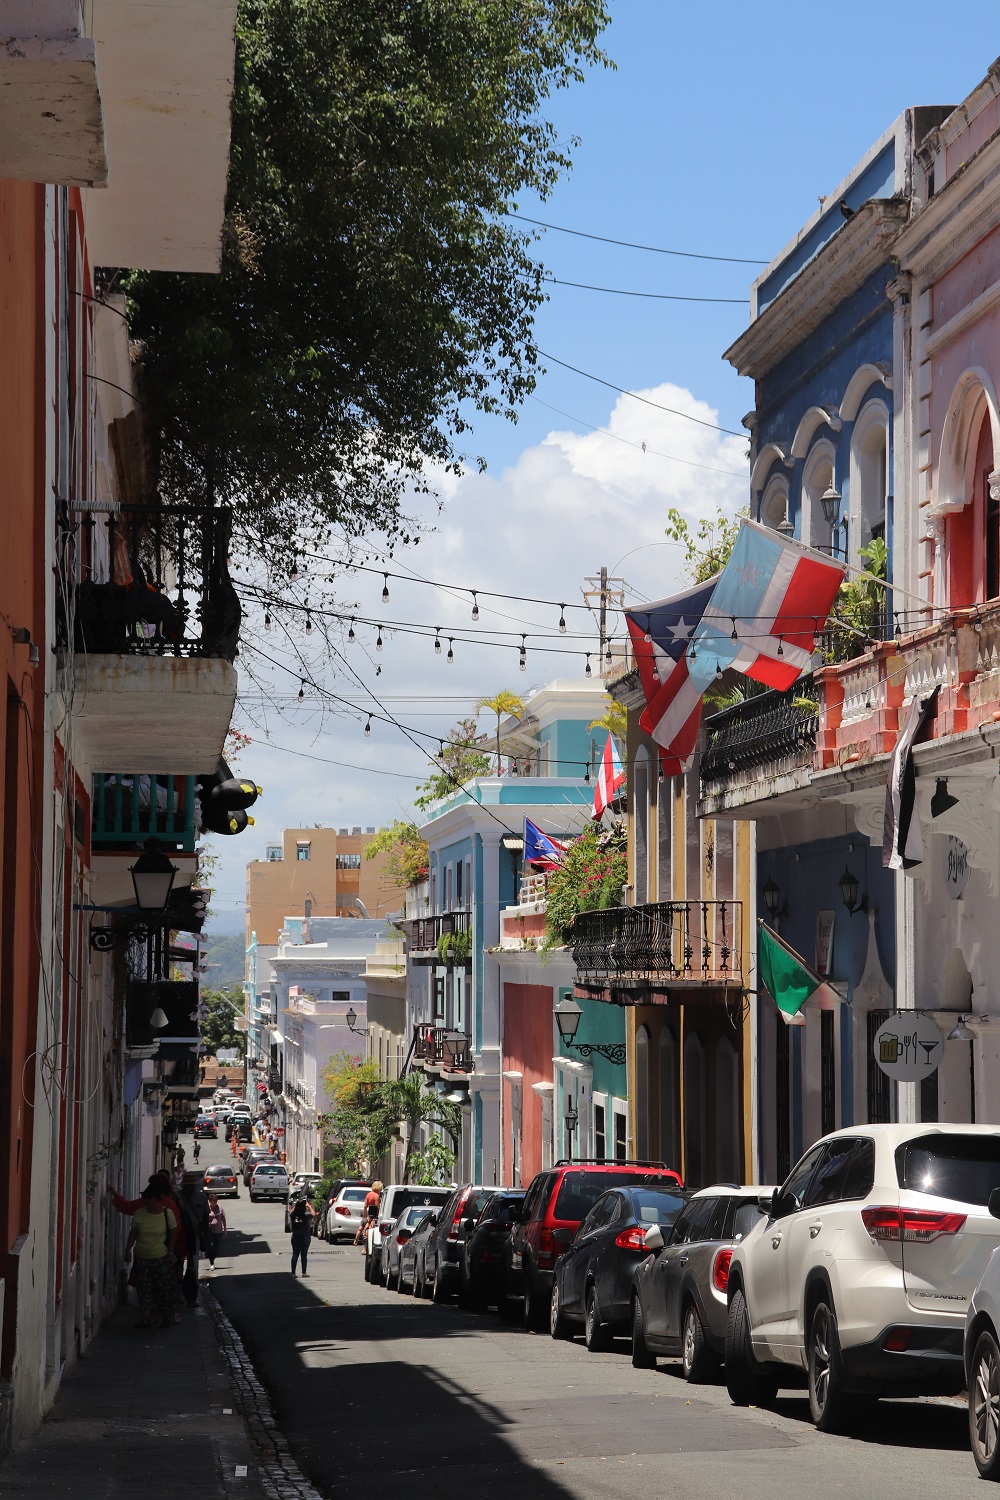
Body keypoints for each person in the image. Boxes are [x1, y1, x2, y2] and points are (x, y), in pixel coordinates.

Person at [124, 1184, 177, 1328]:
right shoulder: (139, 1214)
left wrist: (170, 1253)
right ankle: (148, 1317)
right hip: (142, 1258)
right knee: (144, 1289)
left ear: (156, 1200)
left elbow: (173, 1234)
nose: (145, 1201)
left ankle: (167, 1316)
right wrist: (128, 1250)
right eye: (144, 1198)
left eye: (148, 1199)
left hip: (161, 1257)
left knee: (164, 1289)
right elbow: (133, 1233)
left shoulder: (167, 1214)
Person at [289, 1193, 316, 1276]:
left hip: (295, 1235)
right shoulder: (306, 1215)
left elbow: (291, 1212)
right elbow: (314, 1214)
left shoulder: (293, 1215)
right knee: (304, 1255)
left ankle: (293, 1273)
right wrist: (309, 1206)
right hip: (305, 1235)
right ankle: (304, 1272)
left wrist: (295, 1207)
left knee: (295, 1254)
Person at [355, 1181, 383, 1247]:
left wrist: (364, 1216)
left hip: (367, 1215)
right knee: (369, 1230)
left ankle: (356, 1239)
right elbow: (377, 1206)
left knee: (361, 1227)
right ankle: (366, 1247)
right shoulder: (376, 1196)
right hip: (373, 1216)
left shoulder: (368, 1194)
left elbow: (365, 1206)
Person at [206, 1193, 226, 1268]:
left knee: (216, 1248)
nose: (215, 1202)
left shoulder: (220, 1208)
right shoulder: (207, 1208)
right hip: (209, 1231)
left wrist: (225, 1229)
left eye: (216, 1200)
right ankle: (212, 1262)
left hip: (218, 1231)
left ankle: (212, 1258)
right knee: (210, 1246)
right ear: (210, 1201)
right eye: (213, 1200)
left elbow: (223, 1218)